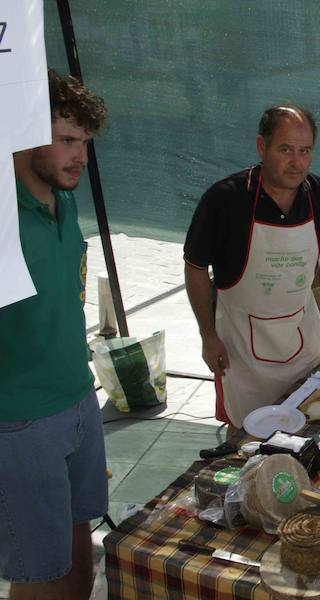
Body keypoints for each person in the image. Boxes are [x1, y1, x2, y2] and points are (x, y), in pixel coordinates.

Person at [184, 105, 320, 430]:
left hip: (304, 345)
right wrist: (208, 335)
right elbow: (195, 268)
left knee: (312, 428)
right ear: (261, 146)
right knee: (247, 439)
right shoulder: (224, 200)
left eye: (305, 151)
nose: (296, 162)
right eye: (285, 150)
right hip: (242, 354)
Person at [0, 69, 108, 599]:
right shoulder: (4, 216)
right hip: (23, 421)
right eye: (66, 140)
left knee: (78, 550)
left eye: (84, 143)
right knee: (40, 573)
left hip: (79, 398)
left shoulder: (61, 198)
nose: (80, 157)